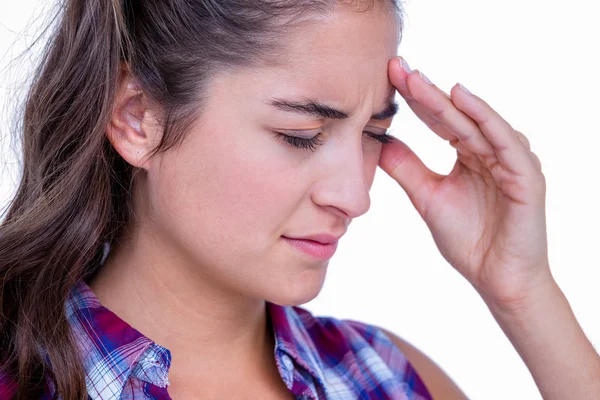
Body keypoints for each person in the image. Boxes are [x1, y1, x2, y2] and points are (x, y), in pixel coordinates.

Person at [0, 0, 598, 399]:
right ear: (138, 119)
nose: (356, 196)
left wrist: (523, 291)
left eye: (374, 134)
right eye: (300, 136)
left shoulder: (382, 379)